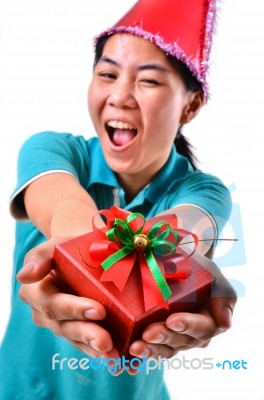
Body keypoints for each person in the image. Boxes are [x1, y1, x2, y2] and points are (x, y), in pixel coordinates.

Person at [0, 0, 237, 399]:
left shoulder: (204, 189)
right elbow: (65, 210)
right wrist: (81, 257)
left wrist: (180, 259)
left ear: (191, 105)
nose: (120, 96)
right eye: (107, 74)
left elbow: (185, 230)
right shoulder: (53, 150)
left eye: (149, 81)